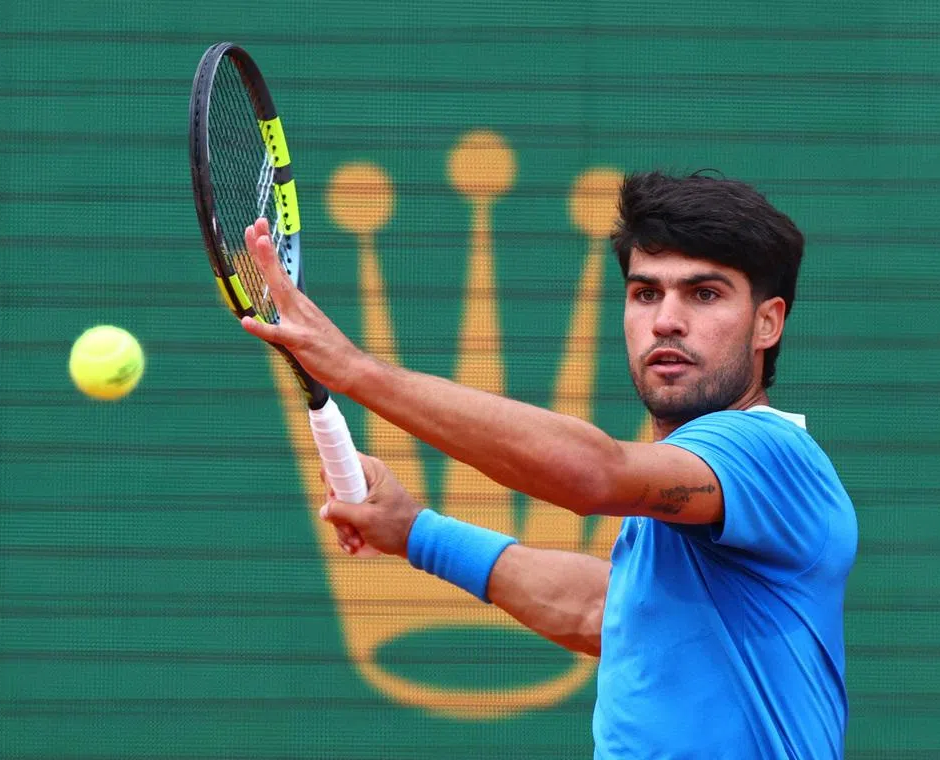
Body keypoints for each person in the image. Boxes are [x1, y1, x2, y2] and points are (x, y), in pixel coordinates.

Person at [241, 171, 858, 759]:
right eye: (646, 292)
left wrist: (355, 371)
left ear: (767, 323)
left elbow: (596, 475)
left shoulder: (767, 453)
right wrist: (415, 532)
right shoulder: (686, 500)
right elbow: (606, 614)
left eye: (704, 293)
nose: (666, 319)